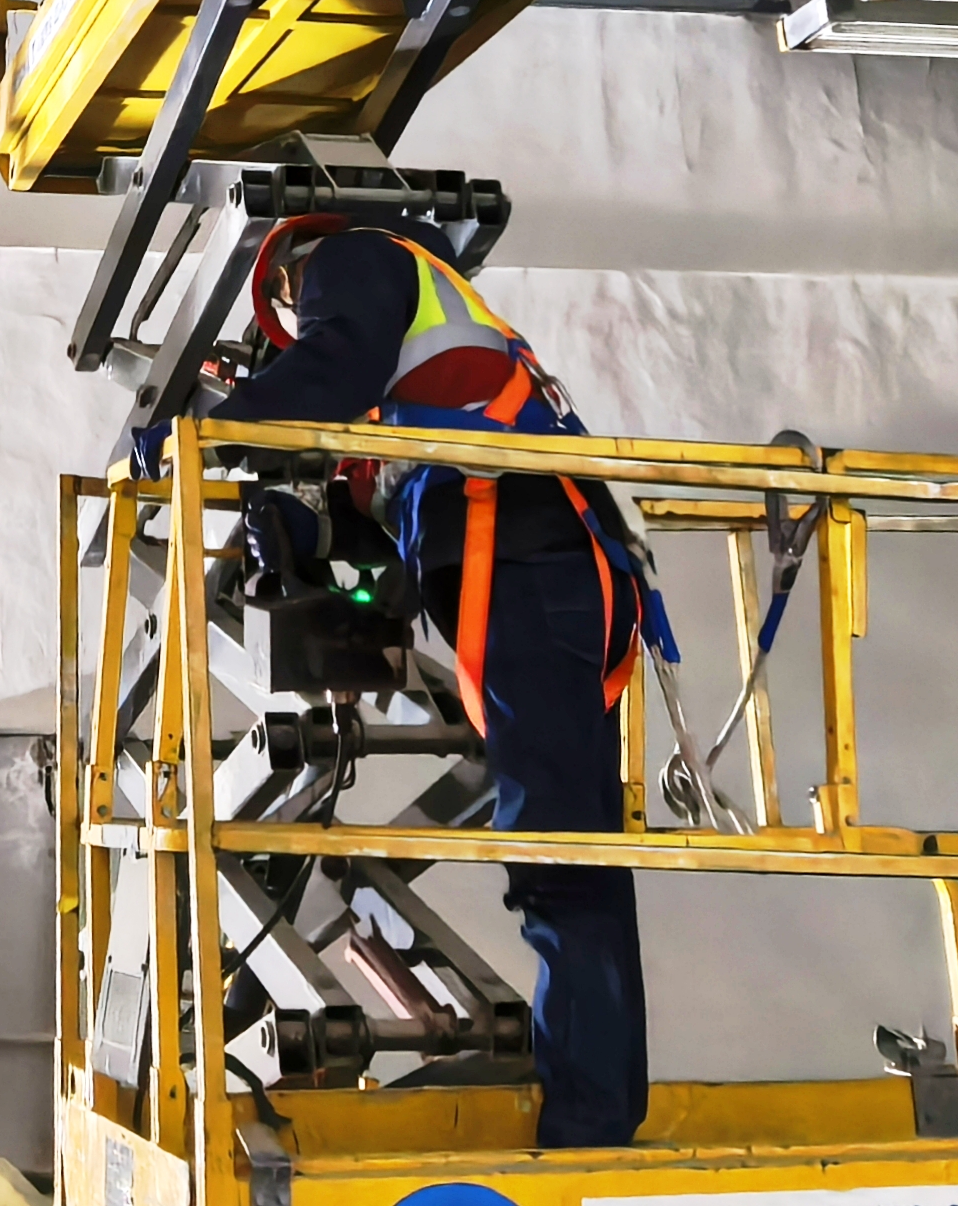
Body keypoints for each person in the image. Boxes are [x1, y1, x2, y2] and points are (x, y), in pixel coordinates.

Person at [200, 215, 652, 1149]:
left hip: (533, 574)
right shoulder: (421, 396)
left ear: (288, 273)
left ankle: (590, 1125)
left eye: (288, 307)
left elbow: (334, 363)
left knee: (559, 863)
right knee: (572, 861)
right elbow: (388, 558)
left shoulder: (352, 258)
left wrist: (202, 434)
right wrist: (306, 530)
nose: (300, 313)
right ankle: (598, 1104)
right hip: (547, 577)